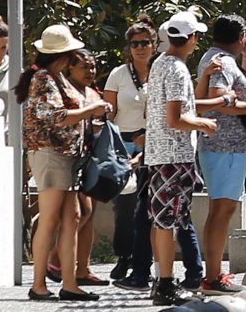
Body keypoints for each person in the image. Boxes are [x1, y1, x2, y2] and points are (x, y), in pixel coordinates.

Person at [17, 24, 111, 302]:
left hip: (66, 157)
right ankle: (39, 284)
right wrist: (89, 111)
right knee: (50, 219)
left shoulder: (54, 77)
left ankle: (69, 283)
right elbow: (56, 116)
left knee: (73, 217)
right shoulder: (45, 79)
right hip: (51, 154)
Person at [145, 9, 220, 306]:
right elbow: (176, 117)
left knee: (159, 219)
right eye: (195, 37)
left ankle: (160, 280)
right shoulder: (175, 69)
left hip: (158, 154)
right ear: (189, 38)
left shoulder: (159, 64)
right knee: (168, 221)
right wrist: (204, 124)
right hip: (174, 156)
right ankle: (165, 283)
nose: (196, 42)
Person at [196, 14, 246, 295]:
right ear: (239, 36)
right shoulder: (222, 62)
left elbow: (240, 89)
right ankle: (212, 277)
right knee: (222, 210)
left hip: (225, 147)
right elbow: (220, 98)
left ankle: (213, 273)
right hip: (226, 147)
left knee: (220, 210)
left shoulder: (217, 58)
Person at [44, 49, 109, 287]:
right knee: (78, 212)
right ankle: (55, 258)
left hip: (88, 156)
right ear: (70, 67)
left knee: (88, 213)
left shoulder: (92, 92)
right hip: (67, 156)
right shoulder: (64, 90)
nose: (90, 72)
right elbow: (60, 119)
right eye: (84, 67)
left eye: (92, 67)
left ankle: (82, 267)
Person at [103, 16, 156, 281]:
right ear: (129, 47)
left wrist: (148, 140)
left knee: (149, 207)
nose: (140, 48)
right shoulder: (118, 74)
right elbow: (108, 115)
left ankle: (143, 261)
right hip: (123, 144)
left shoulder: (161, 71)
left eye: (145, 42)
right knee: (124, 206)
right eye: (135, 43)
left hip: (154, 144)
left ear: (154, 44)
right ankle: (124, 256)